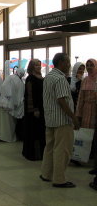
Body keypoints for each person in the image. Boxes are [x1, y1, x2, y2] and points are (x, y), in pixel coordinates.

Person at [40, 53, 80, 188]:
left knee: (50, 147)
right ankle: (59, 179)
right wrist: (74, 118)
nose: (69, 65)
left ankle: (46, 174)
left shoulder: (49, 76)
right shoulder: (60, 79)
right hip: (62, 120)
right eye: (67, 62)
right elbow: (62, 100)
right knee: (62, 150)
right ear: (61, 62)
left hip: (50, 119)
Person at [0, 68, 25, 142]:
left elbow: (3, 88)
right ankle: (6, 137)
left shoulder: (10, 77)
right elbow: (20, 96)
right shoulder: (20, 82)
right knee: (8, 124)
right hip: (10, 106)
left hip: (1, 103)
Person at [76, 59, 97, 172]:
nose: (89, 67)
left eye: (91, 65)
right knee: (87, 136)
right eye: (87, 65)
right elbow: (80, 99)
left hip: (95, 111)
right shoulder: (85, 80)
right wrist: (78, 115)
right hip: (86, 111)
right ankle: (85, 158)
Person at [22, 59, 46, 161]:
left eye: (39, 65)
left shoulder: (41, 78)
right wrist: (35, 109)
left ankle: (41, 153)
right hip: (33, 110)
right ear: (32, 66)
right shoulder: (30, 78)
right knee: (33, 131)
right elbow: (30, 95)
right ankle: (32, 154)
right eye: (36, 65)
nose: (38, 67)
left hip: (42, 108)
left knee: (41, 131)